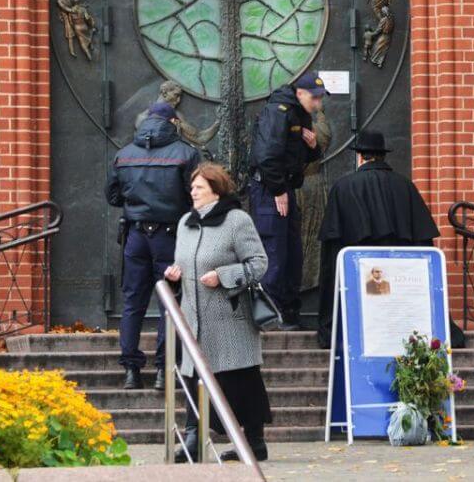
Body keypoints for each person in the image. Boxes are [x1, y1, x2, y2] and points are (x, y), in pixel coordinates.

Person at [164, 163, 272, 462]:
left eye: (198, 187)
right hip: (193, 318)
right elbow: (183, 264)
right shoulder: (186, 222)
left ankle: (254, 441)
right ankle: (194, 437)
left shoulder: (237, 221)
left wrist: (223, 275)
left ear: (215, 189)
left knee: (240, 381)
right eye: (192, 187)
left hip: (230, 318)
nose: (193, 192)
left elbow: (259, 263)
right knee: (193, 376)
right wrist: (174, 276)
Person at [315, 130, 441, 349]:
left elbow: (332, 244)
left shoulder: (344, 187)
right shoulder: (405, 186)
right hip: (401, 279)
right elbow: (423, 239)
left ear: (360, 156)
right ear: (383, 156)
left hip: (357, 278)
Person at [106, 101, 200, 390]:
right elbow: (194, 194)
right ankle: (163, 370)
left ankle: (131, 372)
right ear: (173, 123)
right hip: (170, 237)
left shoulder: (124, 155)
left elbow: (112, 196)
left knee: (133, 303)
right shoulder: (186, 153)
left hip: (135, 236)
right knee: (170, 304)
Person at [247, 71, 327, 329]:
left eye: (320, 98)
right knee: (275, 253)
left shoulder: (299, 114)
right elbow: (267, 155)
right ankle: (269, 319)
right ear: (300, 93)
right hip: (271, 190)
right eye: (314, 98)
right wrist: (278, 190)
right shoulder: (279, 111)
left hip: (285, 189)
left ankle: (288, 313)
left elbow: (305, 158)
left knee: (292, 254)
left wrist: (313, 146)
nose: (318, 104)